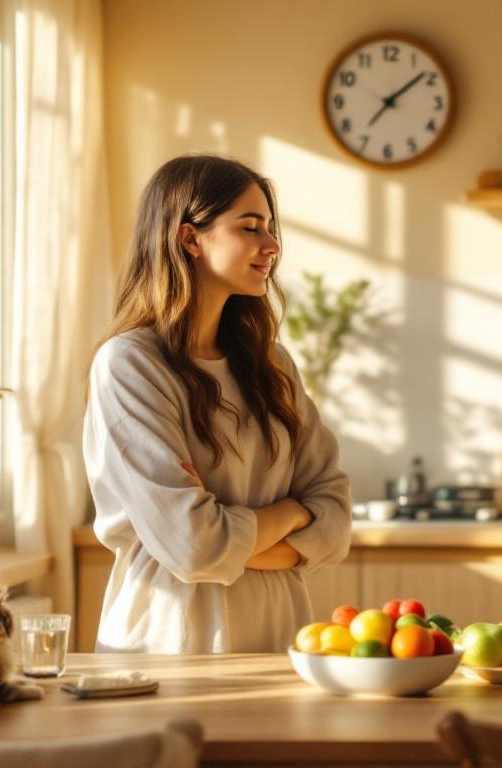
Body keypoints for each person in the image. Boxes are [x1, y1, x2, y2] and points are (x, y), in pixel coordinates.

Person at [83, 154, 352, 653]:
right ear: (189, 238)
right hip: (170, 640)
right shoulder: (130, 364)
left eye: (270, 228)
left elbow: (335, 519)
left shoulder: (272, 365)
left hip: (279, 636)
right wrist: (293, 513)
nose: (271, 245)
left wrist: (227, 529)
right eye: (250, 228)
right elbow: (192, 546)